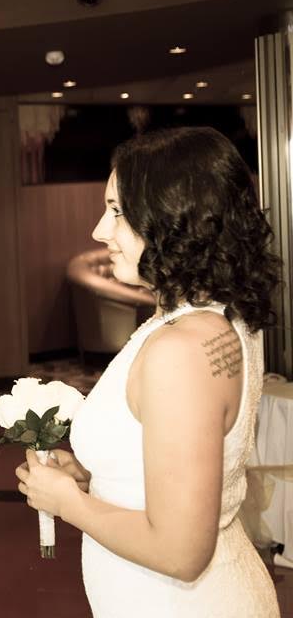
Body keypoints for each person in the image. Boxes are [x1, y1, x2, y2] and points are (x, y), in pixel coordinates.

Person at [15, 126, 281, 617]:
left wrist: (68, 503)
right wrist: (94, 479)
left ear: (173, 216)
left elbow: (181, 552)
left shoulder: (180, 348)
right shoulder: (217, 314)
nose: (99, 230)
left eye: (117, 211)